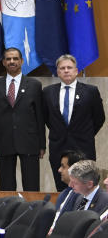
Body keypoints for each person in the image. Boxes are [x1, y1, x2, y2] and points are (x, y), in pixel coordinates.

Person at [43, 54, 106, 190]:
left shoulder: (90, 91)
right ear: (58, 72)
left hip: (83, 149)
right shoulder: (48, 92)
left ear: (76, 71)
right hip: (58, 149)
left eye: (69, 68)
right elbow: (47, 118)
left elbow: (99, 118)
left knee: (84, 189)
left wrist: (85, 133)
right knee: (62, 189)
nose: (66, 70)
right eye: (62, 68)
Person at [0, 47, 46, 191]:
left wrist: (42, 145)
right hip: (4, 141)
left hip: (29, 141)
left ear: (22, 61)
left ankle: (33, 212)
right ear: (4, 62)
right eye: (8, 59)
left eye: (15, 59)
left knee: (31, 185)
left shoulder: (35, 85)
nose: (12, 61)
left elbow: (40, 116)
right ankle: (9, 213)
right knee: (7, 186)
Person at [51, 160, 108, 229]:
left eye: (74, 183)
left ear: (89, 184)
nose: (70, 185)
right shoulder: (79, 196)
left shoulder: (105, 201)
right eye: (70, 181)